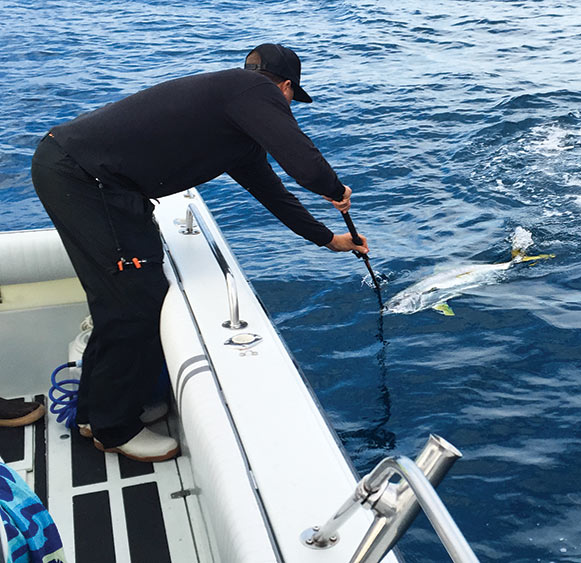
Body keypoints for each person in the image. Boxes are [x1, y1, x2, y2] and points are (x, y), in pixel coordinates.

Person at [30, 43, 368, 463]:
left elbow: (273, 194)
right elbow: (306, 165)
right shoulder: (251, 89)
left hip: (87, 175)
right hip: (86, 178)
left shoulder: (234, 126)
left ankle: (96, 412)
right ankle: (113, 427)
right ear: (283, 87)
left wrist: (328, 239)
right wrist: (335, 190)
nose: (286, 108)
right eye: (290, 99)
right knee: (138, 301)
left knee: (121, 300)